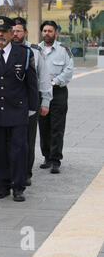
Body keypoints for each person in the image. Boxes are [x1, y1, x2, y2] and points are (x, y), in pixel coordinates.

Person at [0, 16, 38, 202]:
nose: (1, 34)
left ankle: (18, 187)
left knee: (19, 149)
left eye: (5, 31)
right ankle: (2, 184)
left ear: (12, 33)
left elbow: (31, 83)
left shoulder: (25, 53)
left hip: (18, 109)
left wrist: (32, 107)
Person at [12, 17, 52, 186]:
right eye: (12, 31)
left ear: (26, 33)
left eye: (18, 31)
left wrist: (45, 101)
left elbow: (43, 78)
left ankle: (25, 172)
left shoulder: (35, 51)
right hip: (8, 103)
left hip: (29, 103)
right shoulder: (3, 50)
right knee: (8, 140)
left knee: (27, 139)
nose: (15, 34)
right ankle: (8, 173)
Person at [38, 20, 73, 174]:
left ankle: (55, 159)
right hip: (40, 93)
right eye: (45, 31)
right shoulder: (35, 50)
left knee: (57, 127)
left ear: (56, 33)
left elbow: (68, 71)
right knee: (43, 126)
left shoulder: (63, 50)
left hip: (58, 92)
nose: (47, 33)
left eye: (50, 31)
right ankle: (46, 156)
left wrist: (53, 82)